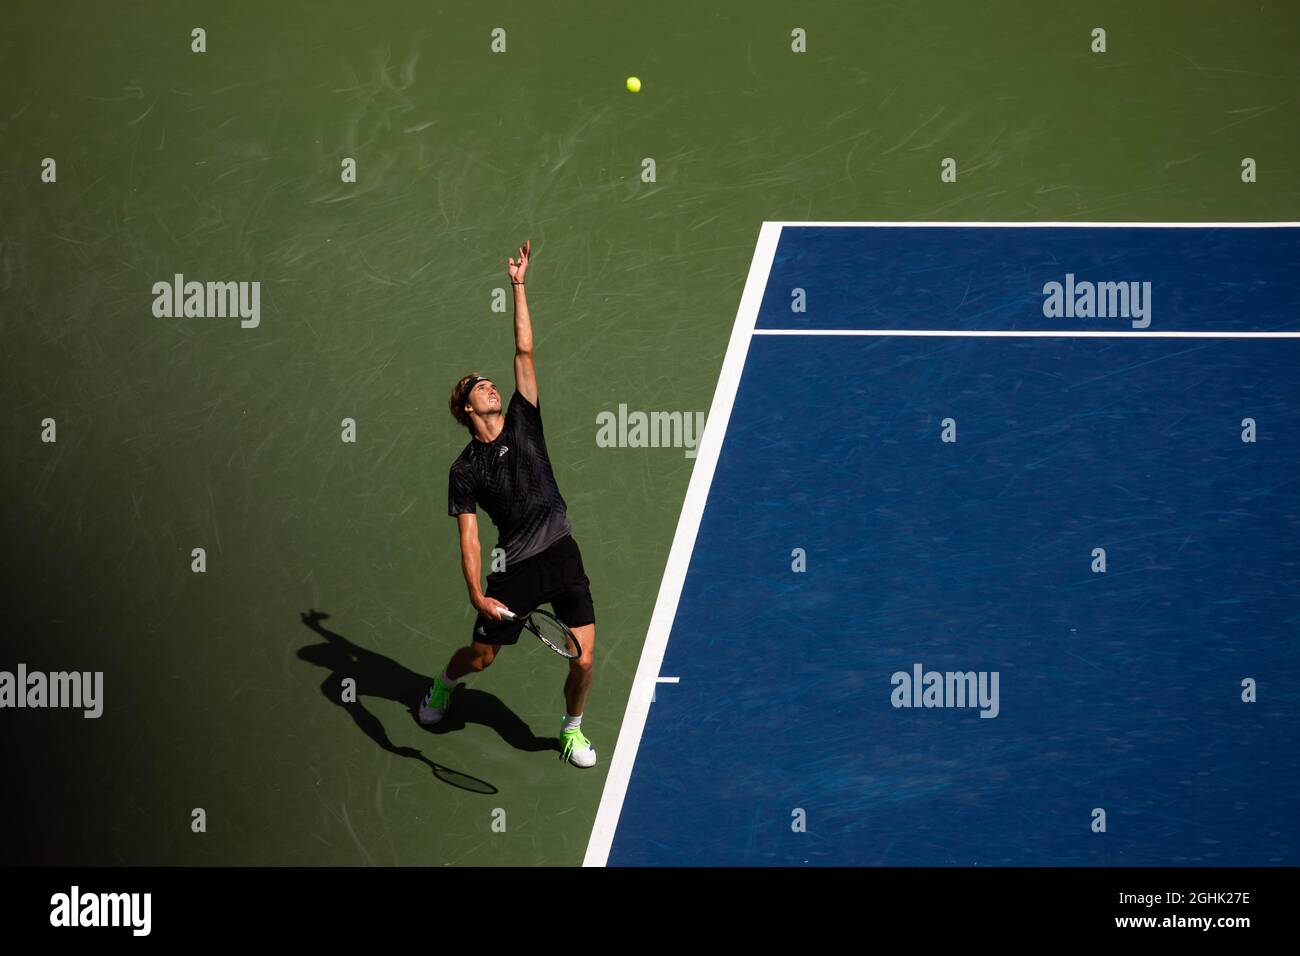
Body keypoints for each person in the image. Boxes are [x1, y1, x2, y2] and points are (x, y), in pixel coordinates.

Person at [418, 240, 598, 769]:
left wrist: (518, 285)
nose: (492, 387)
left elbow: (524, 352)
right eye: (481, 387)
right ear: (466, 408)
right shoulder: (465, 470)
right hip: (515, 569)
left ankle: (572, 730)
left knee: (584, 661)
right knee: (481, 657)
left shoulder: (524, 417)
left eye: (492, 384)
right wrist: (477, 594)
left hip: (562, 552)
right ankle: (444, 684)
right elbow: (469, 537)